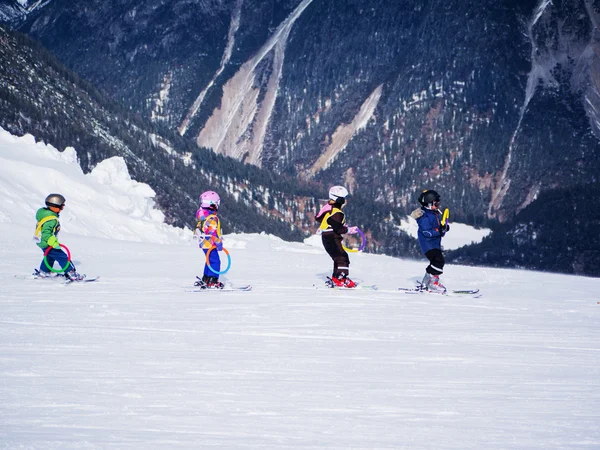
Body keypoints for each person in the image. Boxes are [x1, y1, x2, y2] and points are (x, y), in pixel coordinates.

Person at [315, 186, 359, 288]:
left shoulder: (330, 209)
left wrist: (343, 227)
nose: (345, 201)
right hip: (332, 237)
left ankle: (337, 278)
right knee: (342, 257)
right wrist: (348, 230)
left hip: (327, 236)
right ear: (339, 200)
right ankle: (340, 279)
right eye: (343, 199)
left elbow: (320, 218)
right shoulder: (337, 213)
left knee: (338, 257)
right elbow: (337, 228)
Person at [33, 193, 84, 281]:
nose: (62, 209)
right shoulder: (51, 219)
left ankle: (44, 271)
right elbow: (46, 234)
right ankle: (71, 273)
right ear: (53, 206)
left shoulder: (46, 215)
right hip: (48, 243)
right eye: (61, 207)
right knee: (63, 257)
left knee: (49, 256)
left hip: (43, 242)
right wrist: (53, 242)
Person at [411, 189, 449, 293]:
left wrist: (443, 228)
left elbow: (436, 228)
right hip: (428, 245)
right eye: (435, 204)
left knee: (436, 261)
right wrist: (439, 231)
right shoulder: (426, 217)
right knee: (438, 261)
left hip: (434, 244)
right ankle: (432, 283)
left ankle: (427, 281)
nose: (438, 206)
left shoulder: (433, 214)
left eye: (438, 203)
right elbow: (427, 232)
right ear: (428, 204)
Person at [193, 190, 225, 289]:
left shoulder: (203, 216)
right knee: (215, 261)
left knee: (209, 260)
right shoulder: (211, 219)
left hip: (204, 243)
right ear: (212, 204)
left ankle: (206, 278)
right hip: (210, 243)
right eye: (217, 203)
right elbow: (213, 234)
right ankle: (213, 280)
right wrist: (219, 243)